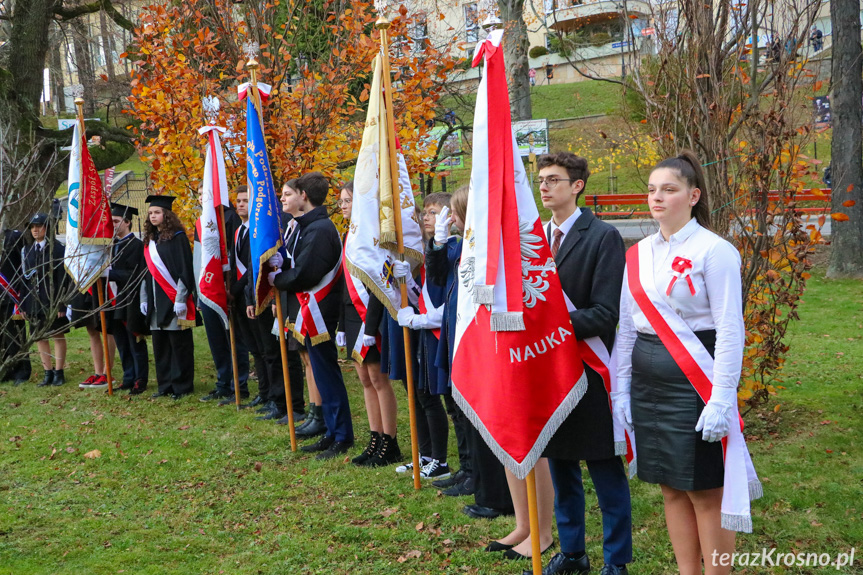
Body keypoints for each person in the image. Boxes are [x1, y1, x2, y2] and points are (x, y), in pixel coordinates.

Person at [615, 151, 760, 575]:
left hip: (696, 380)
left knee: (703, 490)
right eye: (652, 190)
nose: (657, 197)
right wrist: (621, 390)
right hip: (647, 382)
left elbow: (731, 330)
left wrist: (721, 398)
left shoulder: (715, 251)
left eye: (669, 189)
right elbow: (626, 328)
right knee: (670, 487)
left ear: (693, 195)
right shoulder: (637, 254)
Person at [528, 152, 632, 575]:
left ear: (577, 186)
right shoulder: (532, 239)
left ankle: (616, 560)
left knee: (604, 470)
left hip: (590, 368)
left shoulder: (602, 236)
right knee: (561, 465)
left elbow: (606, 313)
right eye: (541, 180)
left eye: (554, 179)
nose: (545, 186)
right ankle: (572, 552)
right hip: (548, 371)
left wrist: (546, 323)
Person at [426, 186, 512, 517]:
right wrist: (438, 244)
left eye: (457, 213)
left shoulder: (481, 247)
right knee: (459, 408)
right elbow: (436, 275)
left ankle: (483, 479)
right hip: (456, 331)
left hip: (476, 337)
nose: (453, 219)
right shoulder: (460, 245)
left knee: (475, 412)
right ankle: (469, 467)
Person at [269, 171, 353, 460]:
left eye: (293, 192)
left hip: (320, 312)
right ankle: (331, 431)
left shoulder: (319, 229)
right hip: (311, 310)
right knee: (321, 373)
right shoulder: (309, 226)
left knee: (327, 374)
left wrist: (277, 279)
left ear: (304, 195)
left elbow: (306, 273)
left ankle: (341, 434)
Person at [337, 181, 401, 467]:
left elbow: (380, 284)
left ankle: (390, 441)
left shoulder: (373, 237)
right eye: (340, 202)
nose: (343, 206)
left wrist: (371, 326)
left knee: (378, 378)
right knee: (363, 378)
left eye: (348, 200)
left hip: (370, 314)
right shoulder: (348, 236)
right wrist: (341, 325)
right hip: (352, 314)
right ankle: (374, 438)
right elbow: (344, 282)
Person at [393, 194, 456, 478]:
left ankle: (440, 460)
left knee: (433, 396)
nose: (426, 217)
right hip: (426, 330)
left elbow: (448, 298)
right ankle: (426, 454)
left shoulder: (451, 248)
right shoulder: (431, 249)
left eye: (433, 212)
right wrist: (405, 282)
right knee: (419, 393)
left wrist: (419, 320)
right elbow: (425, 295)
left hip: (440, 332)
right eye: (426, 212)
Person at [194, 184, 250, 403]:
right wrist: (199, 292)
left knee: (233, 340)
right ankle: (223, 383)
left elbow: (236, 258)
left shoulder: (229, 218)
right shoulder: (202, 221)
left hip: (227, 290)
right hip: (208, 289)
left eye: (204, 194)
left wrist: (232, 288)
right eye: (198, 195)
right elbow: (200, 260)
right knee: (216, 341)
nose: (201, 198)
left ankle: (239, 384)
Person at [140, 195, 197, 400]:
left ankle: (182, 385)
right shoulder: (150, 241)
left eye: (157, 212)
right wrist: (144, 299)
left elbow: (184, 270)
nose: (153, 216)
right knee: (160, 345)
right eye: (151, 213)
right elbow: (145, 273)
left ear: (166, 214)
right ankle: (165, 384)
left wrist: (181, 298)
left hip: (173, 300)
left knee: (178, 344)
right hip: (155, 301)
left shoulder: (178, 237)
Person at [20, 212, 69, 387]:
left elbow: (63, 278)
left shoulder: (57, 249)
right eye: (32, 227)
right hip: (34, 301)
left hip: (52, 300)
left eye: (38, 226)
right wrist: (23, 304)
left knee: (57, 334)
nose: (35, 230)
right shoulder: (26, 250)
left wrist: (61, 302)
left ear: (46, 228)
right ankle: (47, 371)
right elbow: (24, 279)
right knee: (40, 337)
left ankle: (59, 370)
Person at [108, 203, 150, 395]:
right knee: (122, 342)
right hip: (114, 300)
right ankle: (128, 376)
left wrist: (111, 273)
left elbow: (136, 274)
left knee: (135, 341)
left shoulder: (136, 245)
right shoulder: (112, 245)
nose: (113, 225)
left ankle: (140, 379)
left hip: (130, 299)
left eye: (116, 221)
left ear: (127, 222)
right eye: (111, 221)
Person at [0, 228, 31, 386]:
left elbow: (21, 268)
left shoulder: (13, 237)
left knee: (15, 335)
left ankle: (22, 370)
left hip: (10, 295)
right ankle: (6, 368)